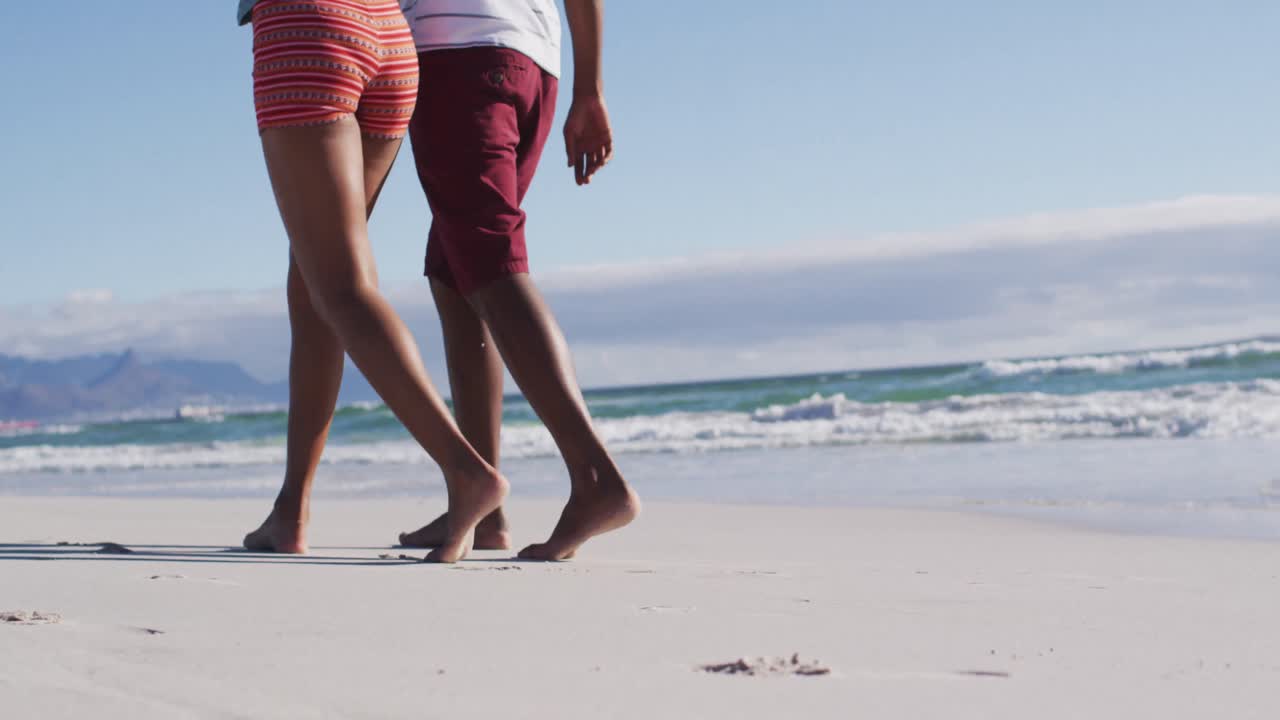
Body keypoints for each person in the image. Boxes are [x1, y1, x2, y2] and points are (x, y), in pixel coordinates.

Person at [235, 0, 508, 563]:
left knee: (340, 287)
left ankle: (465, 472)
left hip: (305, 28)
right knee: (316, 284)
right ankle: (292, 510)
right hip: (388, 34)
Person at [393, 0, 639, 561]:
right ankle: (482, 506)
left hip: (459, 54)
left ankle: (596, 478)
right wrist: (589, 90)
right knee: (455, 269)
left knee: (488, 259)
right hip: (533, 64)